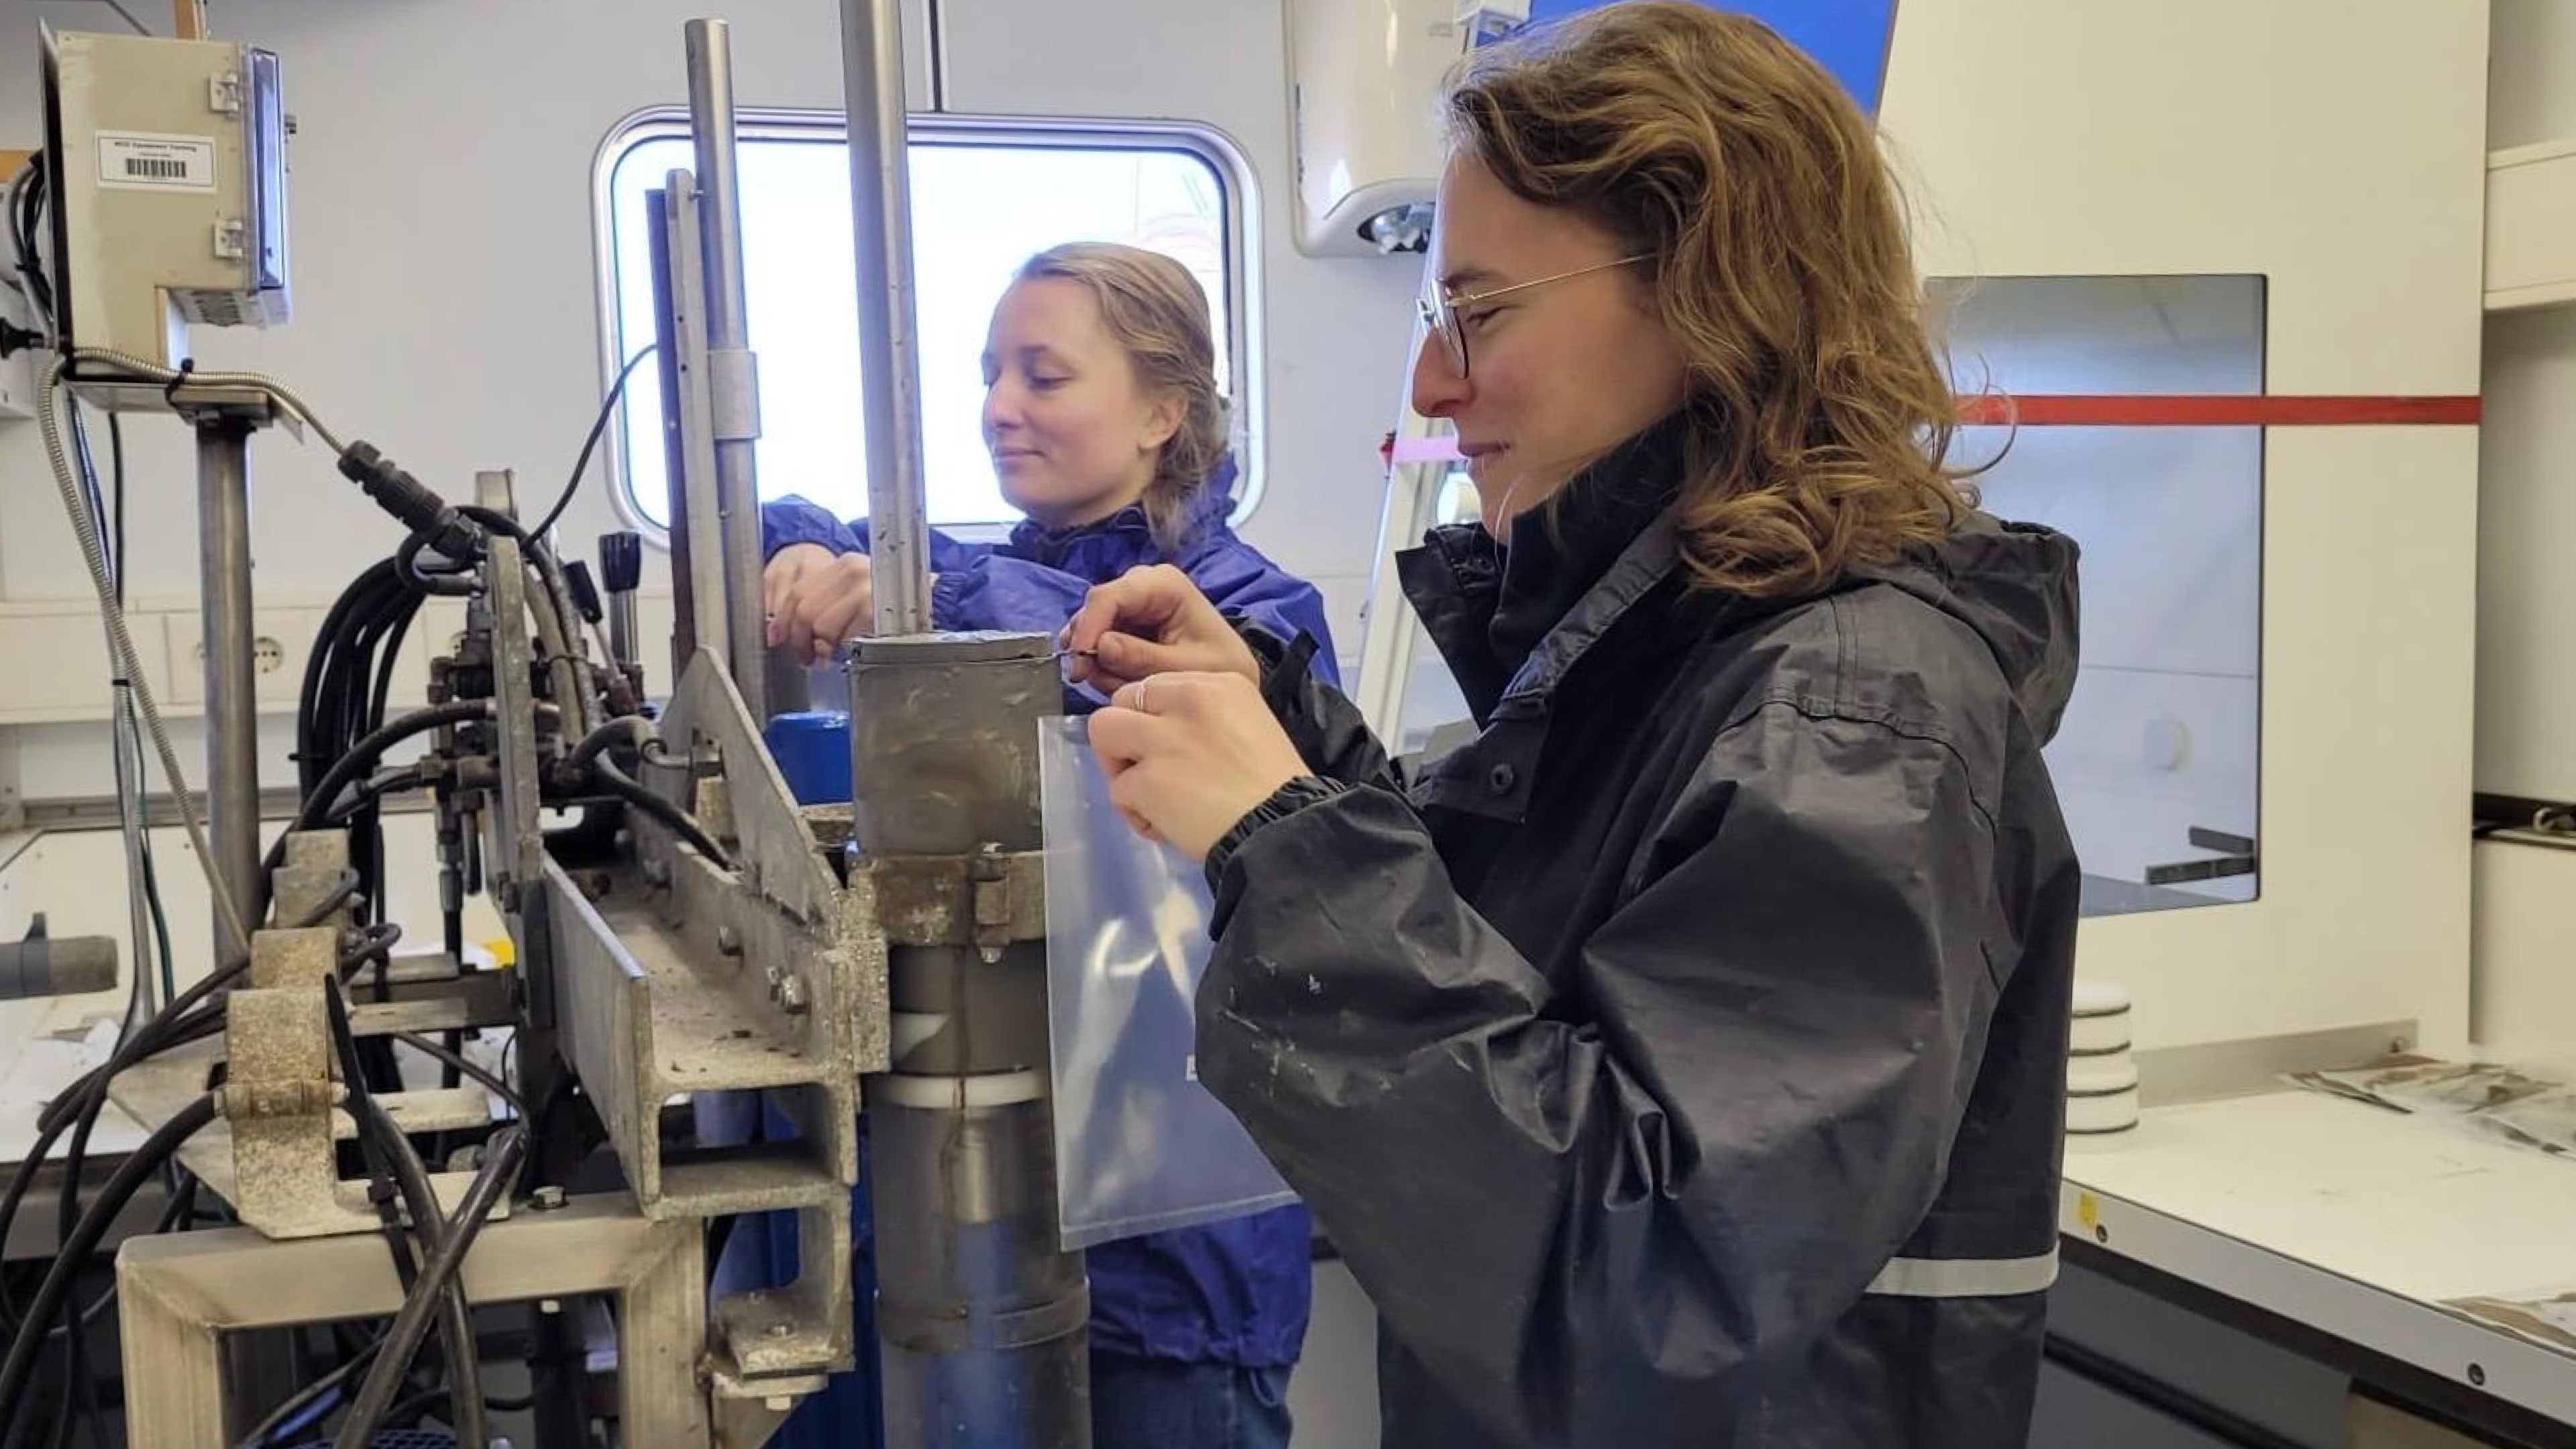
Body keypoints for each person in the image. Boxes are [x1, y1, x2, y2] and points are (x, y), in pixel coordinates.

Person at [1061, 6, 2084, 1446]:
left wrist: (1289, 852)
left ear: (1707, 292)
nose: (1429, 384)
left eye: (1476, 314)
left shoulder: (1855, 717)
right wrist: (1286, 741)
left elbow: (1647, 1281)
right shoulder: (1684, 645)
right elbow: (1525, 983)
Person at [758, 241, 1324, 1449]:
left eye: (1044, 375)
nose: (998, 407)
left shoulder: (1255, 615)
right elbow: (793, 513)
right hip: (986, 1211)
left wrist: (924, 598)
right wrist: (802, 552)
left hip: (1176, 1250)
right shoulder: (994, 570)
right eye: (988, 372)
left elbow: (1102, 662)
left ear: (1164, 411)